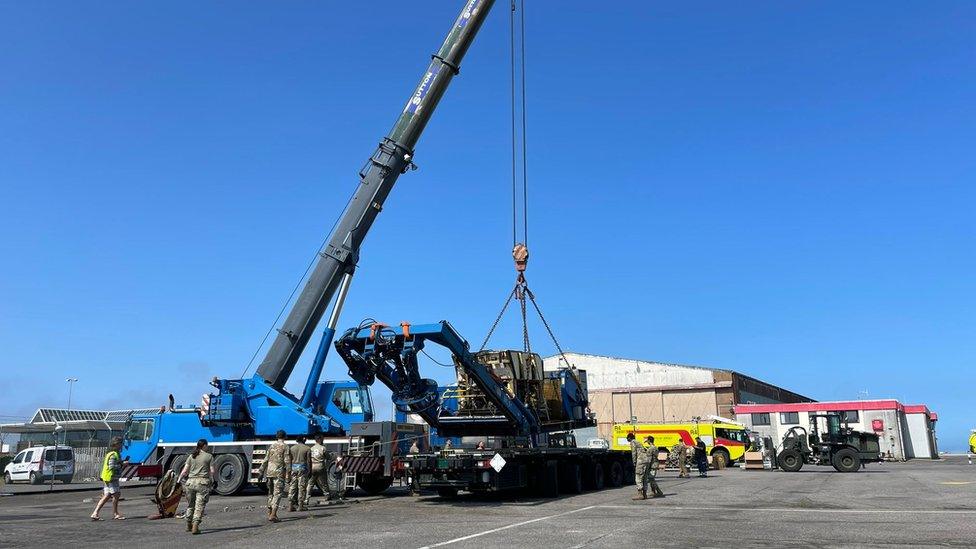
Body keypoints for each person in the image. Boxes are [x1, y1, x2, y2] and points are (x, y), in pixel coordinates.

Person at [177, 439, 215, 535]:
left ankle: (188, 525)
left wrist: (179, 480)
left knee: (190, 505)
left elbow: (185, 471)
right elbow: (212, 471)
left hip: (190, 483)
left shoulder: (191, 456)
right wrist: (212, 480)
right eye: (207, 445)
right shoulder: (209, 456)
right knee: (199, 505)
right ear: (204, 446)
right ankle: (195, 526)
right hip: (202, 483)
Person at [91, 437, 128, 521]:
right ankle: (116, 514)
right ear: (116, 444)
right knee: (116, 494)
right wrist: (123, 465)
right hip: (111, 477)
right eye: (120, 444)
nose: (122, 445)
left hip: (107, 477)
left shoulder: (111, 453)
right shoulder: (113, 454)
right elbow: (112, 466)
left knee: (107, 495)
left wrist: (121, 462)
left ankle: (95, 513)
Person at [258, 429, 291, 522]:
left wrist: (261, 472)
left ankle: (269, 512)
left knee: (270, 493)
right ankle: (274, 514)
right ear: (285, 437)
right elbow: (287, 461)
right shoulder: (285, 447)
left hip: (269, 472)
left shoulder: (271, 446)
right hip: (278, 473)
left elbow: (265, 459)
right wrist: (288, 474)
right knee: (278, 493)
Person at [306, 433, 336, 506]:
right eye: (322, 438)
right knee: (324, 483)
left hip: (313, 466)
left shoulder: (311, 448)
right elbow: (328, 457)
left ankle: (306, 498)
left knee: (310, 483)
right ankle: (327, 495)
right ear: (320, 439)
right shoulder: (323, 448)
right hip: (320, 466)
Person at [288, 435, 312, 512]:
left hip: (293, 469)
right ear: (304, 439)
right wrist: (310, 470)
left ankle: (290, 505)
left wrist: (289, 471)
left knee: (292, 487)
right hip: (302, 469)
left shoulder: (292, 448)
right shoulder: (307, 448)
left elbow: (289, 460)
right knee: (301, 487)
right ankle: (300, 505)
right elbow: (308, 461)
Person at [627, 432, 648, 500]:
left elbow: (634, 453)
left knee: (638, 477)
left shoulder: (633, 442)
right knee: (644, 477)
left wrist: (634, 462)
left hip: (640, 461)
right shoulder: (638, 442)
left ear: (629, 438)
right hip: (646, 460)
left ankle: (640, 494)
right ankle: (644, 494)